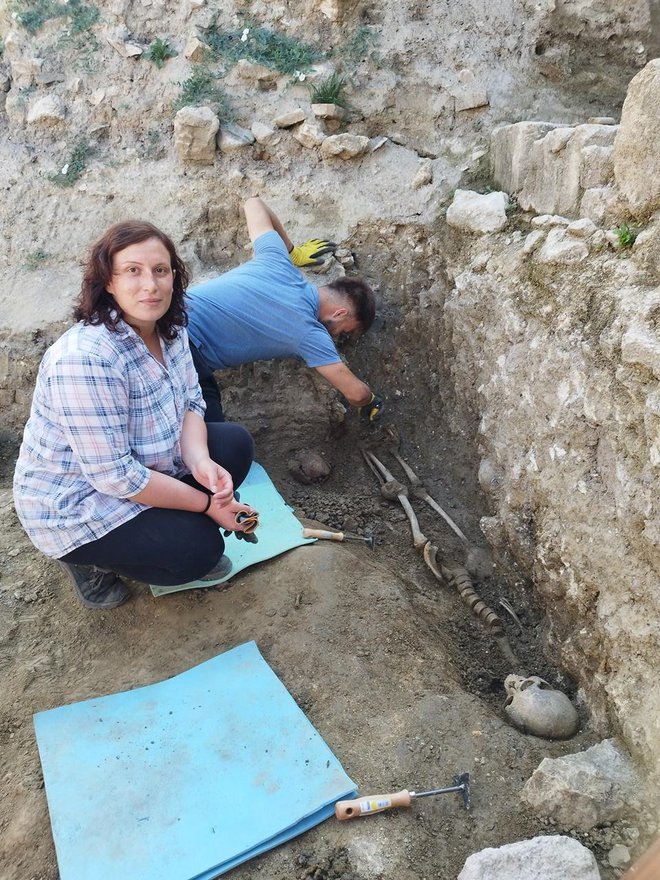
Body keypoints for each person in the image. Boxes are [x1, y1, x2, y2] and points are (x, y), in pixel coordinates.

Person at [13, 221, 257, 610]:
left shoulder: (169, 329)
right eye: (133, 271)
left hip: (141, 462)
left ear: (174, 276)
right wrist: (208, 504)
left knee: (234, 446)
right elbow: (114, 476)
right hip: (77, 501)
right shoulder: (85, 359)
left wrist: (201, 462)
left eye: (161, 270)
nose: (151, 285)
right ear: (108, 281)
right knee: (199, 549)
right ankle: (90, 562)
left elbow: (192, 400)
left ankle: (173, 522)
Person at [186, 196, 384, 423]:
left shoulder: (276, 260)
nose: (337, 336)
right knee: (216, 442)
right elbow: (356, 393)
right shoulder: (309, 332)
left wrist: (292, 251)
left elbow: (253, 204)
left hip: (164, 314)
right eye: (344, 330)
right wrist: (370, 402)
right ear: (340, 313)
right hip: (184, 349)